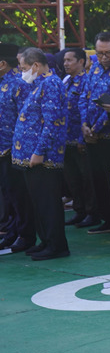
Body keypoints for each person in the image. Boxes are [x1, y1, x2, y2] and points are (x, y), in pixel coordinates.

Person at [12, 48, 69, 260]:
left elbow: (51, 123)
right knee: (39, 203)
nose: (22, 72)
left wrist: (39, 152)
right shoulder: (39, 85)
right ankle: (46, 241)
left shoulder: (51, 84)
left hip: (44, 158)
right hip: (33, 158)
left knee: (48, 203)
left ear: (36, 65)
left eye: (24, 68)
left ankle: (56, 245)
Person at [83, 32, 110, 236]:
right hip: (92, 136)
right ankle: (107, 219)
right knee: (98, 180)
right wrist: (84, 125)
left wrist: (95, 129)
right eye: (100, 53)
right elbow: (84, 97)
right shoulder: (93, 70)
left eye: (108, 53)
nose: (104, 57)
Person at [60, 48, 97, 228]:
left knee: (86, 179)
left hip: (80, 138)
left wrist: (83, 139)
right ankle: (79, 210)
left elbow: (87, 108)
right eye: (64, 60)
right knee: (72, 178)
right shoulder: (66, 81)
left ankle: (92, 213)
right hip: (66, 139)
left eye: (69, 60)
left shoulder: (87, 81)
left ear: (81, 61)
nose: (65, 63)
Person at [0, 43, 30, 249]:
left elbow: (25, 119)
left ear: (2, 64)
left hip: (14, 148)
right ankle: (13, 230)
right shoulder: (2, 83)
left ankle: (26, 234)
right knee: (8, 193)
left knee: (19, 194)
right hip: (1, 147)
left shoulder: (18, 84)